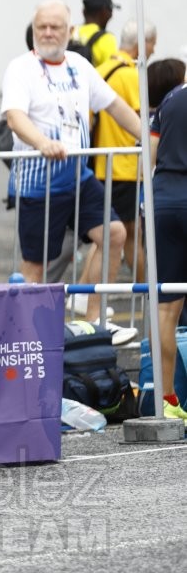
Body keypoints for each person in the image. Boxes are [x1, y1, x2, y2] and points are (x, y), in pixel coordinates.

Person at [1, 0, 140, 344]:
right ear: (34, 30)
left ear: (69, 31)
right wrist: (41, 142)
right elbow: (15, 117)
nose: (47, 33)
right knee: (36, 267)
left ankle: (94, 319)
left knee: (114, 234)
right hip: (39, 184)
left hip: (77, 176)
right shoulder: (21, 68)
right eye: (41, 27)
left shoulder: (79, 65)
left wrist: (148, 137)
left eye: (55, 27)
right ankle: (24, 339)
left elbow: (114, 105)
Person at [87, 20, 156, 285]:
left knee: (115, 230)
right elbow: (143, 118)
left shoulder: (99, 69)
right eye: (152, 44)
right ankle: (145, 290)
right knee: (124, 232)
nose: (152, 50)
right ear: (142, 43)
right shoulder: (130, 75)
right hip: (126, 165)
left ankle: (142, 289)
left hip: (103, 163)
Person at [149, 78, 187, 423]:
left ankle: (167, 399)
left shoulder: (170, 99)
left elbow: (150, 153)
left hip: (166, 202)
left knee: (166, 310)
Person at [73, 0, 119, 67]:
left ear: (83, 12)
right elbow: (112, 71)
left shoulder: (71, 32)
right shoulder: (106, 38)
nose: (112, 15)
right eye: (110, 11)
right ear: (104, 12)